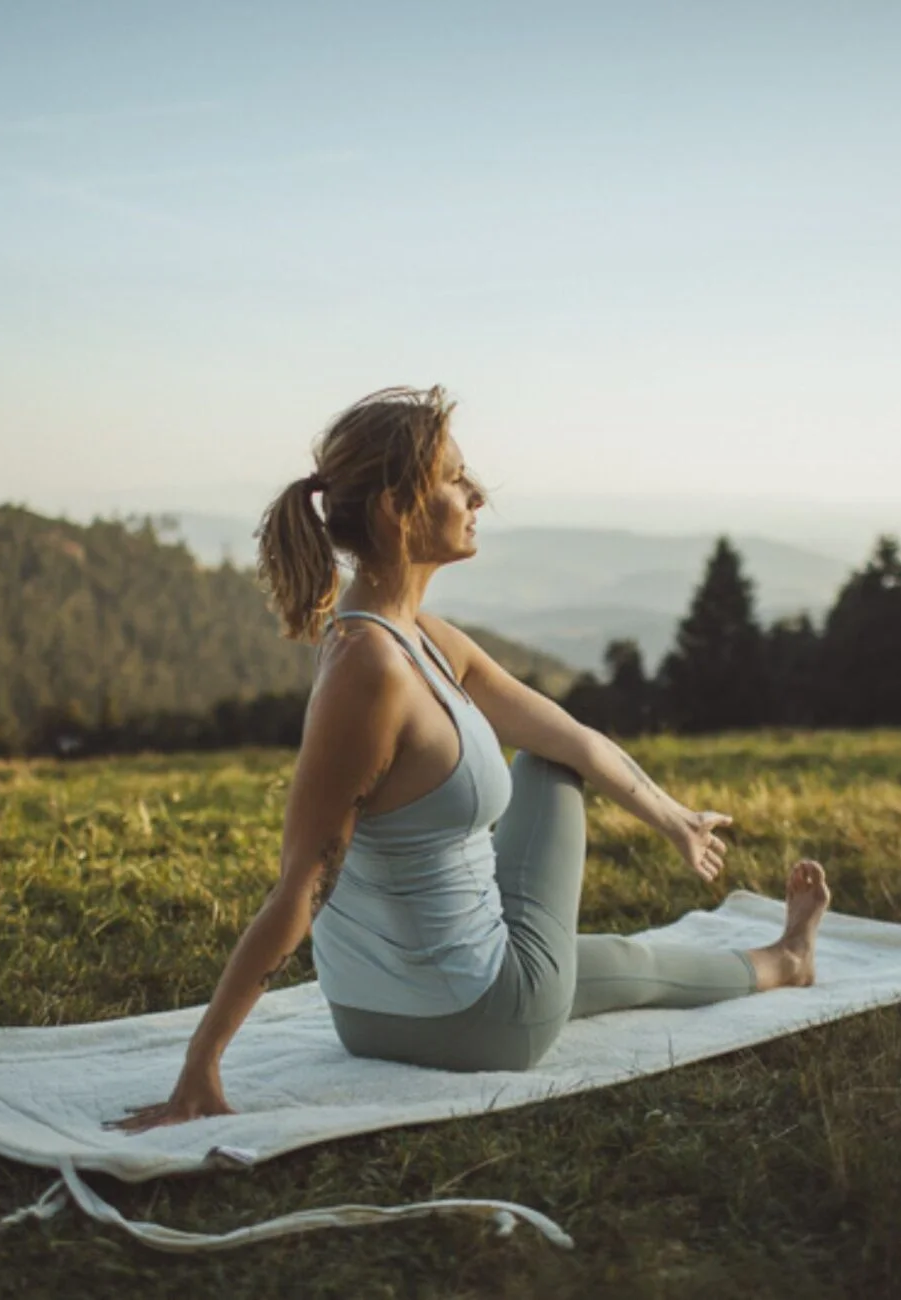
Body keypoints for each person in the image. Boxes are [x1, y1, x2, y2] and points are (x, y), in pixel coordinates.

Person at [112, 386, 829, 1131]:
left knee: (619, 964)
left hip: (367, 1016)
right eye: (455, 477)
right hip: (481, 1021)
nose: (477, 493)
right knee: (550, 775)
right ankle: (786, 961)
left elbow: (565, 727)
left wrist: (673, 819)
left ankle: (785, 961)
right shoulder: (375, 672)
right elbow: (304, 882)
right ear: (396, 510)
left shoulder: (412, 639)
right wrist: (200, 1066)